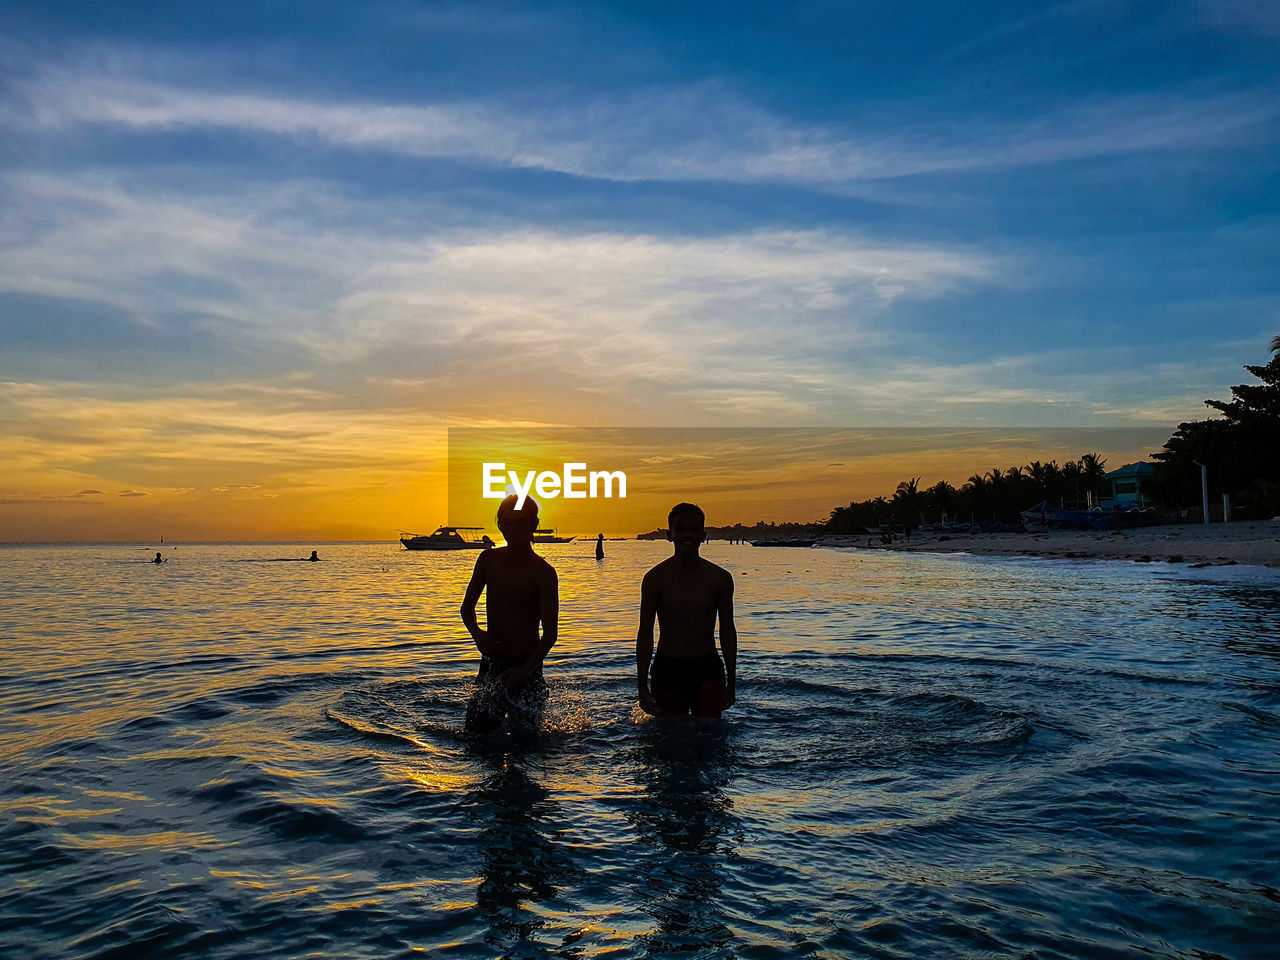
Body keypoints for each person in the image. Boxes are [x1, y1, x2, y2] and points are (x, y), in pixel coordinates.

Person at [460, 495, 559, 733]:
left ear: (533, 525)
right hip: (492, 664)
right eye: (507, 523)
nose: (513, 530)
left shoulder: (543, 573)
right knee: (475, 738)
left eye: (521, 523)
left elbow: (550, 634)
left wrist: (524, 672)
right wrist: (478, 636)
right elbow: (467, 609)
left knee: (527, 747)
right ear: (500, 524)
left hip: (528, 666)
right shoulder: (488, 560)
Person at [636, 502, 737, 719]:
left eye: (694, 529)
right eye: (680, 529)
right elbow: (645, 633)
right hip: (668, 667)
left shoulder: (719, 579)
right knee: (670, 740)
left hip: (707, 666)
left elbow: (727, 631)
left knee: (710, 739)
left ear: (703, 534)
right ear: (669, 534)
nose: (687, 535)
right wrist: (641, 684)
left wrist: (732, 680)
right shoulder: (655, 579)